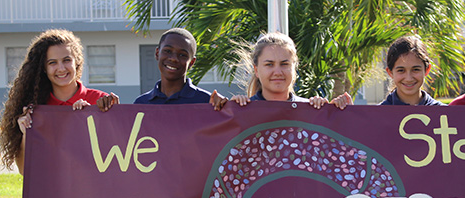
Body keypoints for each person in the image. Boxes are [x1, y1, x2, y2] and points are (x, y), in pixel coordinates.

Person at [0, 29, 117, 174]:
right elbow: (24, 170)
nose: (61, 68)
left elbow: (117, 158)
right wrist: (26, 133)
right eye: (52, 63)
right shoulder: (35, 110)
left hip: (92, 192)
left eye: (66, 60)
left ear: (77, 61)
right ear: (44, 69)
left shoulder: (99, 101)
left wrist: (109, 115)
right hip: (53, 193)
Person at [213, 32, 352, 110]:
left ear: (294, 68)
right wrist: (228, 111)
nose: (277, 71)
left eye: (284, 64)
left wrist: (344, 114)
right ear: (256, 70)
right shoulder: (240, 109)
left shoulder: (312, 110)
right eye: (269, 64)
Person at [97, 28, 222, 111]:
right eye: (167, 51)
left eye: (182, 55)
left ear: (192, 62)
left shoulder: (206, 102)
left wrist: (234, 105)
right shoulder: (142, 103)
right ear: (157, 53)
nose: (173, 59)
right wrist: (112, 113)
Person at [380, 36, 444, 106]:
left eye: (416, 69)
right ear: (390, 72)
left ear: (427, 70)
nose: (408, 78)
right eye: (401, 70)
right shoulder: (376, 114)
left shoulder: (444, 113)